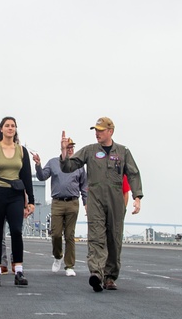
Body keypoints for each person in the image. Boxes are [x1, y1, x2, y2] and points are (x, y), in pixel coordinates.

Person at [60, 117, 142, 292]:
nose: (97, 133)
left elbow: (133, 174)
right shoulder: (90, 151)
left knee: (114, 237)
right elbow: (69, 167)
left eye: (100, 130)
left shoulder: (122, 152)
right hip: (95, 199)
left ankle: (110, 276)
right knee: (96, 237)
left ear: (110, 131)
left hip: (116, 201)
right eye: (95, 130)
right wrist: (64, 153)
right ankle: (96, 273)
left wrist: (137, 197)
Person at [0, 116, 36, 287]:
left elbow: (27, 177)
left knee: (16, 231)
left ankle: (19, 270)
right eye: (7, 126)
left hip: (15, 195)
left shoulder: (21, 151)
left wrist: (30, 201)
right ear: (1, 129)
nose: (10, 128)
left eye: (13, 126)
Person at [34, 138, 87, 277]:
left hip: (73, 202)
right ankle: (58, 256)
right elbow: (41, 177)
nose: (70, 149)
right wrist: (38, 165)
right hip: (57, 203)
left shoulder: (79, 166)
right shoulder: (53, 163)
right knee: (56, 234)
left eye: (72, 147)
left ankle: (69, 265)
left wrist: (86, 203)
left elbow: (84, 186)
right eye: (67, 147)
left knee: (70, 235)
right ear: (62, 148)